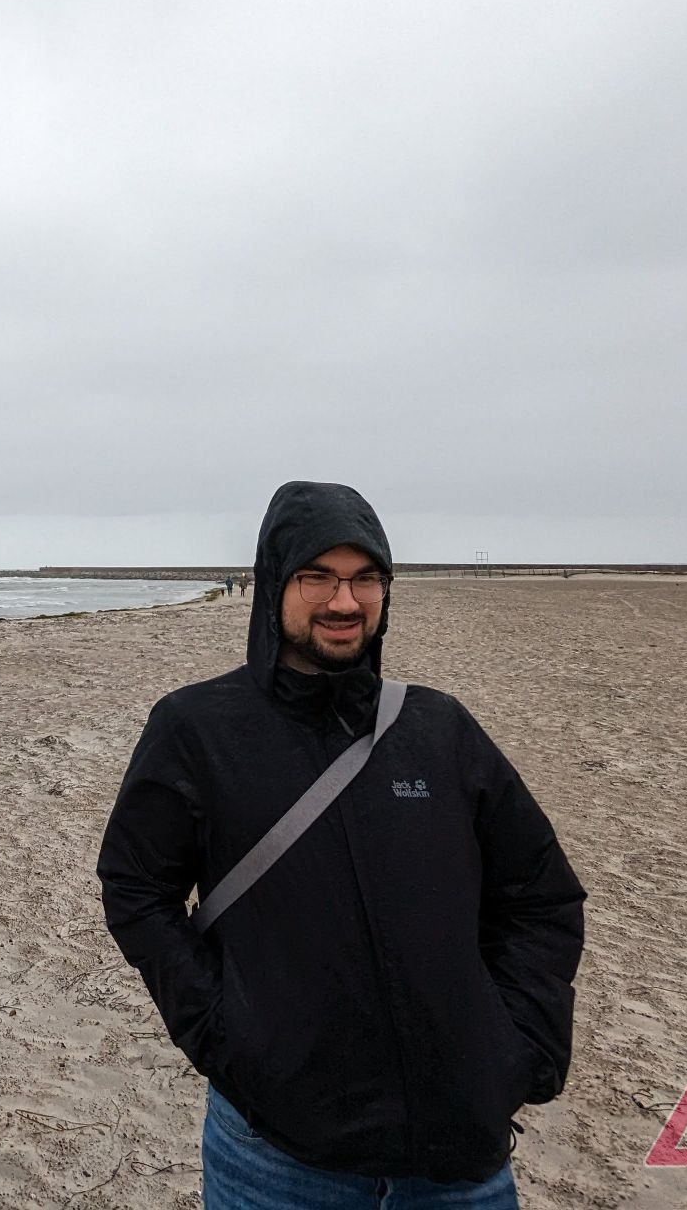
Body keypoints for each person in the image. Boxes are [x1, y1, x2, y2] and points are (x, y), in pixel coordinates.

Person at [96, 481, 585, 1206]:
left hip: (457, 1160)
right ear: (273, 586)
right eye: (316, 576)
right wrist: (226, 1037)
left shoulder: (439, 730)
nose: (344, 602)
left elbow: (541, 896)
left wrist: (518, 1048)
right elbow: (137, 890)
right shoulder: (196, 729)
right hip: (277, 1158)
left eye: (364, 580)